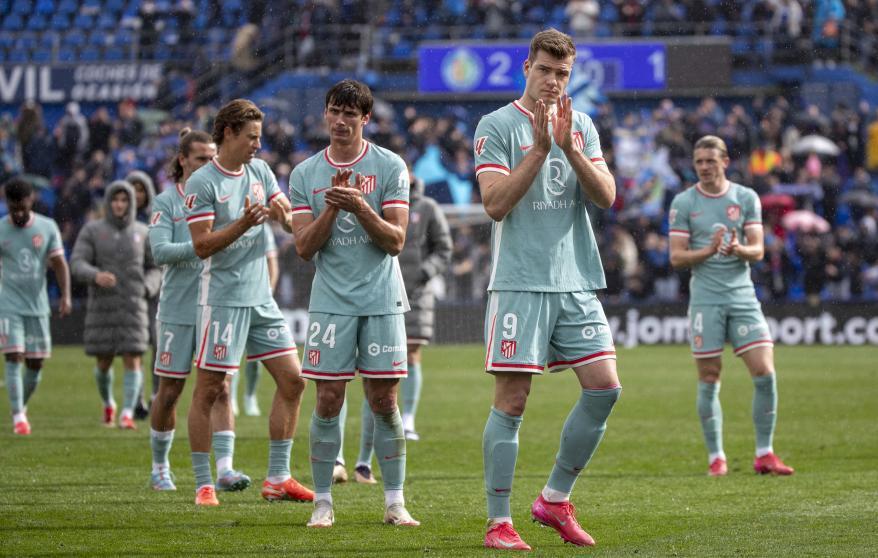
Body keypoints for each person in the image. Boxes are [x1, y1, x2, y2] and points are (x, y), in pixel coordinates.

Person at [473, 29, 621, 550]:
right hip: (520, 281)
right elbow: (495, 204)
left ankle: (554, 499)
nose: (554, 81)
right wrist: (538, 151)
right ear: (526, 68)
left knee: (605, 388)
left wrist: (569, 150)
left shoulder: (582, 124)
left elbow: (605, 197)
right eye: (545, 70)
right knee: (512, 401)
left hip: (576, 278)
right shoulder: (495, 126)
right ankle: (498, 523)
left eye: (562, 73)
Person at [290, 79, 419, 528]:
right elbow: (304, 248)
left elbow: (396, 241)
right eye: (334, 111)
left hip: (382, 299)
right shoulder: (305, 174)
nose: (341, 121)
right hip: (331, 302)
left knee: (384, 400)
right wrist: (332, 207)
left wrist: (361, 206)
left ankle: (395, 502)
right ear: (325, 114)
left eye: (351, 114)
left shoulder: (390, 167)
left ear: (366, 119)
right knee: (327, 398)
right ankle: (322, 501)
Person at [184, 99, 312, 507]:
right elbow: (201, 245)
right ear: (228, 134)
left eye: (260, 136)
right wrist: (242, 223)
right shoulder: (202, 183)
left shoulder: (261, 171)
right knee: (209, 389)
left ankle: (277, 477)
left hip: (261, 298)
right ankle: (205, 483)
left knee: (294, 380)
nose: (259, 144)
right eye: (252, 136)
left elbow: (291, 221)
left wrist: (281, 217)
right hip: (222, 300)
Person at [668, 135, 794, 478]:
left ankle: (764, 453)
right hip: (705, 299)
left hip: (742, 296)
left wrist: (738, 249)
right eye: (699, 162)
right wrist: (708, 251)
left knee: (765, 372)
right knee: (710, 376)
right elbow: (677, 257)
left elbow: (759, 250)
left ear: (725, 161)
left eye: (711, 160)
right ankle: (716, 457)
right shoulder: (683, 202)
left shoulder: (745, 197)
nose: (705, 167)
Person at [331, 172, 452, 484]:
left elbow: (444, 248)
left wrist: (425, 271)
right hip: (367, 292)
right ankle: (341, 458)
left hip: (412, 294)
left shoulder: (427, 208)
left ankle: (368, 458)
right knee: (343, 377)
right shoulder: (370, 203)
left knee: (389, 372)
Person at [146, 128, 250, 492]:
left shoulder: (221, 195)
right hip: (179, 308)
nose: (209, 164)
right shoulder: (166, 202)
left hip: (218, 305)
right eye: (201, 159)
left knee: (221, 387)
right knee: (171, 389)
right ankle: (160, 466)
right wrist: (202, 244)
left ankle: (225, 470)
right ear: (183, 161)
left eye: (212, 157)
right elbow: (160, 252)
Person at [71, 180, 161, 430]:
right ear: (109, 202)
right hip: (103, 307)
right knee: (103, 363)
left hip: (135, 307)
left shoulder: (143, 232)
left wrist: (147, 287)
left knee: (134, 359)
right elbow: (77, 262)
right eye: (115, 200)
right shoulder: (92, 231)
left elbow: (156, 267)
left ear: (131, 203)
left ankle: (128, 413)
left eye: (124, 200)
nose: (120, 204)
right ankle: (109, 402)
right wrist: (95, 275)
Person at [0, 178, 72, 435]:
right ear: (6, 202)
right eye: (13, 207)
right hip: (8, 304)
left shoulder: (47, 226)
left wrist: (66, 296)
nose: (18, 212)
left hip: (37, 305)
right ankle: (19, 416)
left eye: (22, 206)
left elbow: (59, 263)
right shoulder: (1, 229)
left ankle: (20, 406)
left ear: (31, 200)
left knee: (35, 365)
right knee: (14, 355)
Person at [228, 225, 279, 417]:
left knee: (256, 356)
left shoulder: (264, 228)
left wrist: (268, 293)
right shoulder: (226, 223)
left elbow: (272, 262)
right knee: (231, 354)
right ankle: (231, 397)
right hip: (232, 298)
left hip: (259, 299)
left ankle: (250, 396)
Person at [127, 169, 157, 419]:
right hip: (128, 294)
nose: (136, 194)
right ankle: (135, 400)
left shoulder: (157, 217)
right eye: (132, 189)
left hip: (157, 291)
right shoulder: (116, 222)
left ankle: (157, 397)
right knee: (133, 349)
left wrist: (149, 284)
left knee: (159, 346)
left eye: (140, 189)